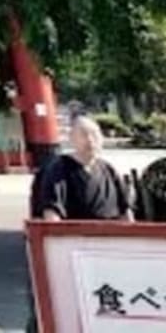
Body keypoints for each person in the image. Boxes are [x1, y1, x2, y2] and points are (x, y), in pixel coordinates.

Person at [24, 116, 131, 331]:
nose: (90, 140)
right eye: (84, 135)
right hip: (73, 252)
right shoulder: (58, 169)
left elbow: (124, 213)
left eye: (95, 135)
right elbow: (51, 213)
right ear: (71, 138)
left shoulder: (108, 170)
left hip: (106, 253)